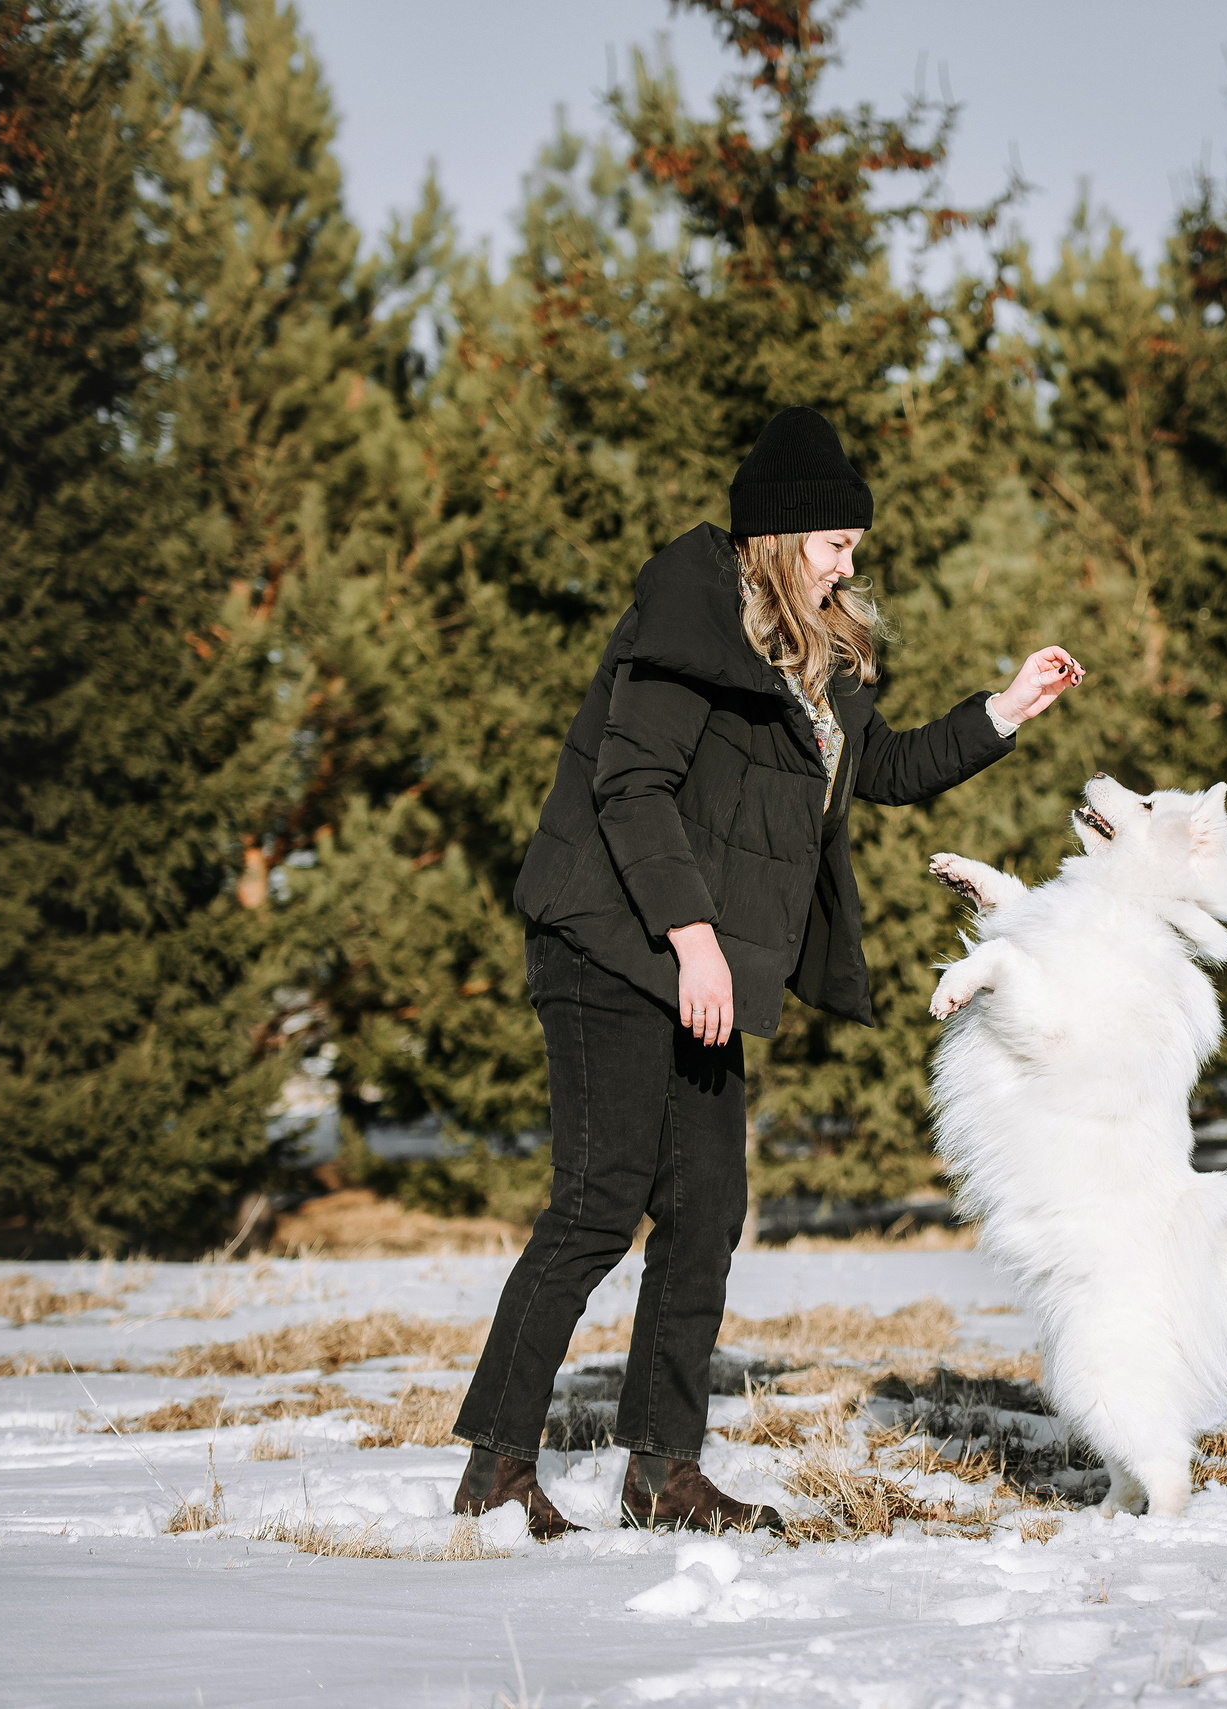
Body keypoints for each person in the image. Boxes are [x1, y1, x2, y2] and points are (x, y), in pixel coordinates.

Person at [448, 407, 1084, 1536]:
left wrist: (1005, 709)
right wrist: (692, 936)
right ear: (782, 536)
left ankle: (661, 1469)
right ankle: (495, 1472)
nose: (852, 558)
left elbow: (876, 767)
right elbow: (630, 785)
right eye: (836, 539)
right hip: (609, 936)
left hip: (694, 961)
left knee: (705, 1210)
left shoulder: (811, 651)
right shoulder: (689, 617)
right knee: (600, 1205)